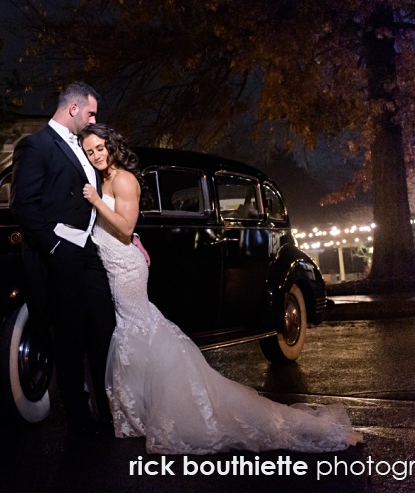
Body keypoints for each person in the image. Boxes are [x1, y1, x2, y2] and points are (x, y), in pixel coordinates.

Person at [79, 123, 364, 454]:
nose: (96, 155)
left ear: (111, 146)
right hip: (114, 264)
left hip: (125, 269)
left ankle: (167, 406)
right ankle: (140, 409)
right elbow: (127, 228)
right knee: (132, 334)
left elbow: (126, 226)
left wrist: (98, 203)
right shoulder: (105, 180)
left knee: (139, 329)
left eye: (100, 148)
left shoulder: (124, 179)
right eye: (90, 151)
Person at [11, 82, 116, 437]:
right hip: (58, 255)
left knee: (103, 327)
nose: (93, 120)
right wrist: (53, 248)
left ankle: (107, 408)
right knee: (69, 340)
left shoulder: (84, 148)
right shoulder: (36, 145)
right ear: (73, 109)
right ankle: (79, 419)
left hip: (89, 253)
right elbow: (24, 204)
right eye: (91, 113)